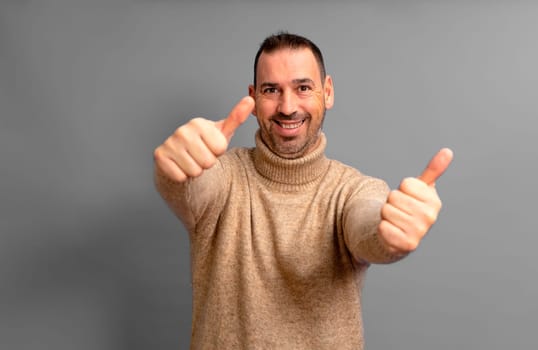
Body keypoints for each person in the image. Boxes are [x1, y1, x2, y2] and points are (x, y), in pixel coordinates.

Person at [154, 32, 453, 350]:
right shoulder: (222, 177)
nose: (287, 106)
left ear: (327, 92)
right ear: (253, 99)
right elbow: (186, 185)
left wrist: (391, 233)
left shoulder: (353, 190)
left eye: (303, 88)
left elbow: (369, 227)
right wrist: (174, 167)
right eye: (271, 90)